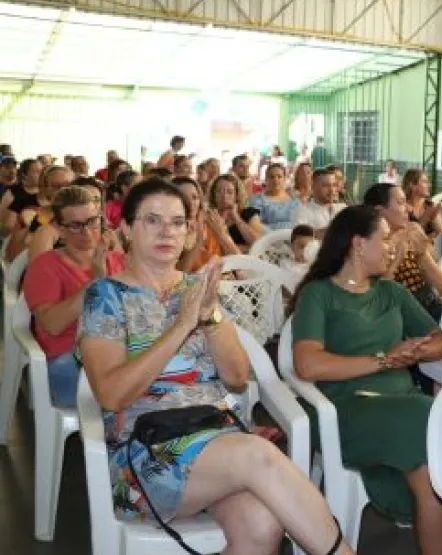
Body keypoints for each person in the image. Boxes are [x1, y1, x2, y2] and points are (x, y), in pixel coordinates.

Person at [78, 178, 352, 555]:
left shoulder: (198, 288)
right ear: (126, 229)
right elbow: (110, 394)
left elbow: (237, 378)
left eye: (177, 222)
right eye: (152, 220)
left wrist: (209, 318)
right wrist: (181, 326)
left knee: (262, 525)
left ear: (190, 232)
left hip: (214, 436)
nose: (167, 231)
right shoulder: (106, 296)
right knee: (259, 455)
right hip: (145, 452)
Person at [289, 205, 442, 554]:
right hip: (345, 408)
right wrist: (384, 360)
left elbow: (440, 342)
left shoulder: (391, 293)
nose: (393, 248)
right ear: (357, 244)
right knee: (432, 424)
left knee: (433, 476)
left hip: (401, 404)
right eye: (385, 239)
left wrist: (417, 351)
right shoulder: (318, 294)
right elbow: (308, 365)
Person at [22, 186, 125, 408]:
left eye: (92, 221)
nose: (87, 233)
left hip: (119, 350)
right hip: (68, 357)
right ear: (59, 228)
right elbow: (52, 324)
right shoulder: (45, 266)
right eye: (76, 226)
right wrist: (95, 284)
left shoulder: (118, 260)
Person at [364, 182, 442, 319]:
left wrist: (422, 255)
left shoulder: (413, 230)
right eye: (401, 203)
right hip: (395, 314)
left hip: (430, 305)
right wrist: (397, 258)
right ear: (379, 211)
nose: (408, 208)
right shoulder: (368, 245)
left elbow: (441, 288)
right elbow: (375, 299)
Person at [6, 164, 72, 261]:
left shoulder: (85, 217)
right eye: (55, 186)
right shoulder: (36, 216)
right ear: (46, 189)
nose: (62, 191)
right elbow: (12, 255)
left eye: (67, 186)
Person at [175, 177, 240, 271]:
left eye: (195, 197)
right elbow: (179, 275)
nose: (190, 202)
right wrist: (199, 241)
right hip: (193, 283)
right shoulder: (170, 230)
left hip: (225, 280)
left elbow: (239, 261)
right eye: (183, 197)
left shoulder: (212, 221)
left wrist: (221, 234)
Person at [209, 173, 264, 251]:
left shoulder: (249, 213)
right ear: (213, 194)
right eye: (219, 191)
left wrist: (236, 218)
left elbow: (258, 244)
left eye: (229, 192)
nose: (224, 196)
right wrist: (245, 247)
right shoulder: (209, 216)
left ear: (236, 195)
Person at [291, 168, 346, 239]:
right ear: (313, 186)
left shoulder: (342, 208)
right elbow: (299, 239)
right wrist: (332, 230)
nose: (332, 190)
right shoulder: (301, 211)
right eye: (326, 185)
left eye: (334, 185)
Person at [247, 163, 300, 230]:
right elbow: (256, 226)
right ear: (266, 179)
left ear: (284, 179)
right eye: (271, 177)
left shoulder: (294, 199)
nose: (275, 180)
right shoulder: (257, 200)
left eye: (279, 176)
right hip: (269, 238)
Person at [0, 157, 42, 237]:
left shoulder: (45, 193)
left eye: (42, 171)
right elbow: (2, 220)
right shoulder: (12, 193)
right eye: (37, 172)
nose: (41, 175)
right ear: (24, 174)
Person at [402, 169, 442, 240]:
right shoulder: (402, 207)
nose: (429, 185)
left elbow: (441, 235)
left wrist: (434, 218)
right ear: (412, 185)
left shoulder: (430, 206)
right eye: (425, 182)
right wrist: (426, 217)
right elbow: (406, 239)